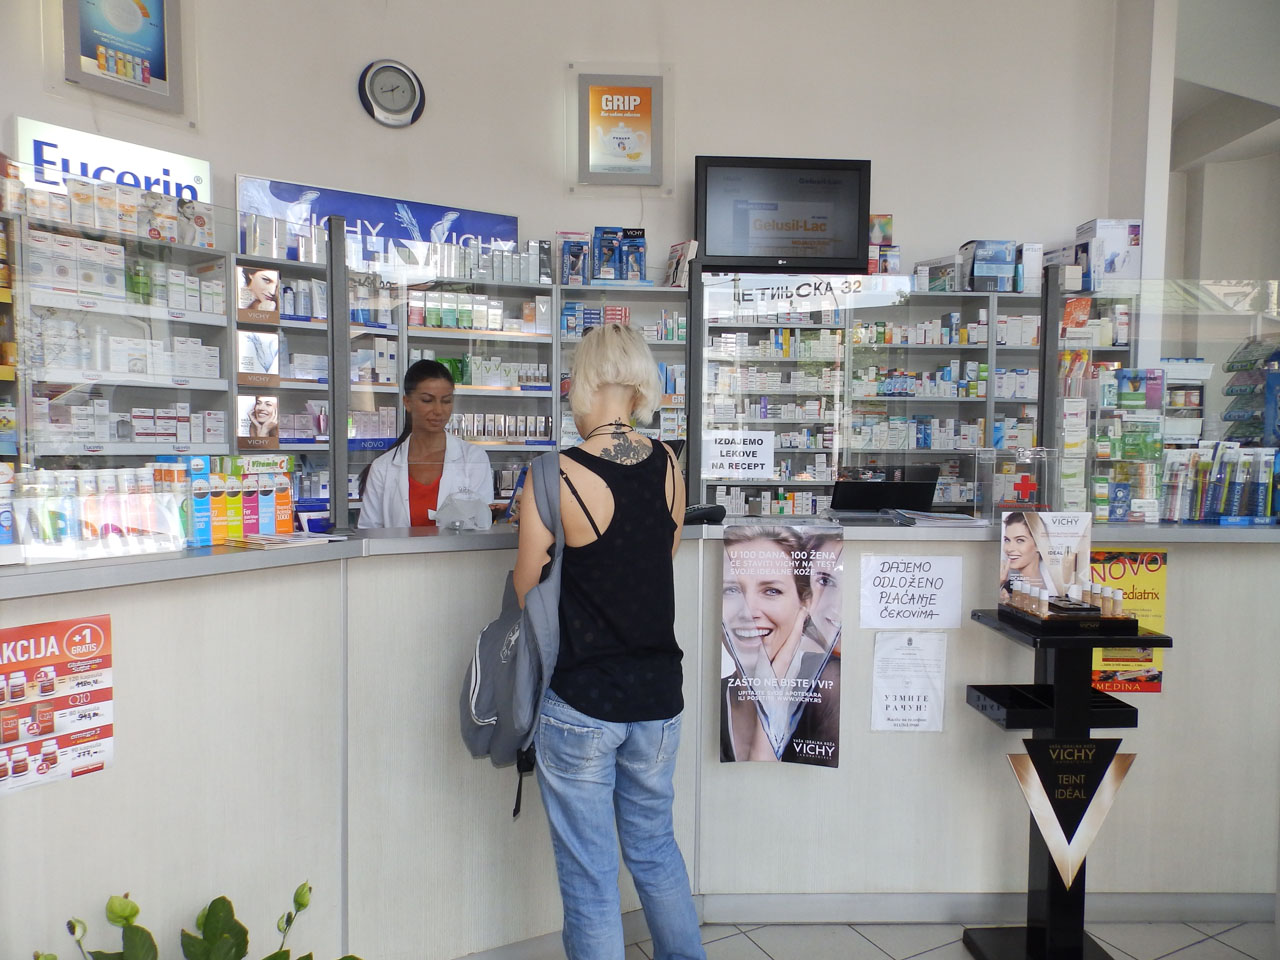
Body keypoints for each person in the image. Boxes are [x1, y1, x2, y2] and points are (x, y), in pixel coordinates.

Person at [511, 323, 701, 960]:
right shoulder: (669, 463)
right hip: (659, 697)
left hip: (583, 699)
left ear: (581, 381)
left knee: (591, 878)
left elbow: (527, 589)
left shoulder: (552, 474)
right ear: (640, 382)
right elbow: (661, 557)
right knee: (655, 850)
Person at [719, 526, 839, 765]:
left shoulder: (829, 682)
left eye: (771, 591)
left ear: (805, 602)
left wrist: (769, 705)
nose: (748, 611)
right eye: (732, 590)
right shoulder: (710, 694)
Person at [358, 359, 492, 529]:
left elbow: (482, 526)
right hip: (398, 548)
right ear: (407, 403)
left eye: (446, 401)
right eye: (427, 400)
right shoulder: (382, 467)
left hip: (458, 548)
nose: (438, 410)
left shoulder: (473, 459)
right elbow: (370, 533)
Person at [999, 510, 1062, 601]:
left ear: (1039, 544)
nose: (1009, 549)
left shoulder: (1055, 587)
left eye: (1020, 540)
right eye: (1007, 540)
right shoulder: (1007, 588)